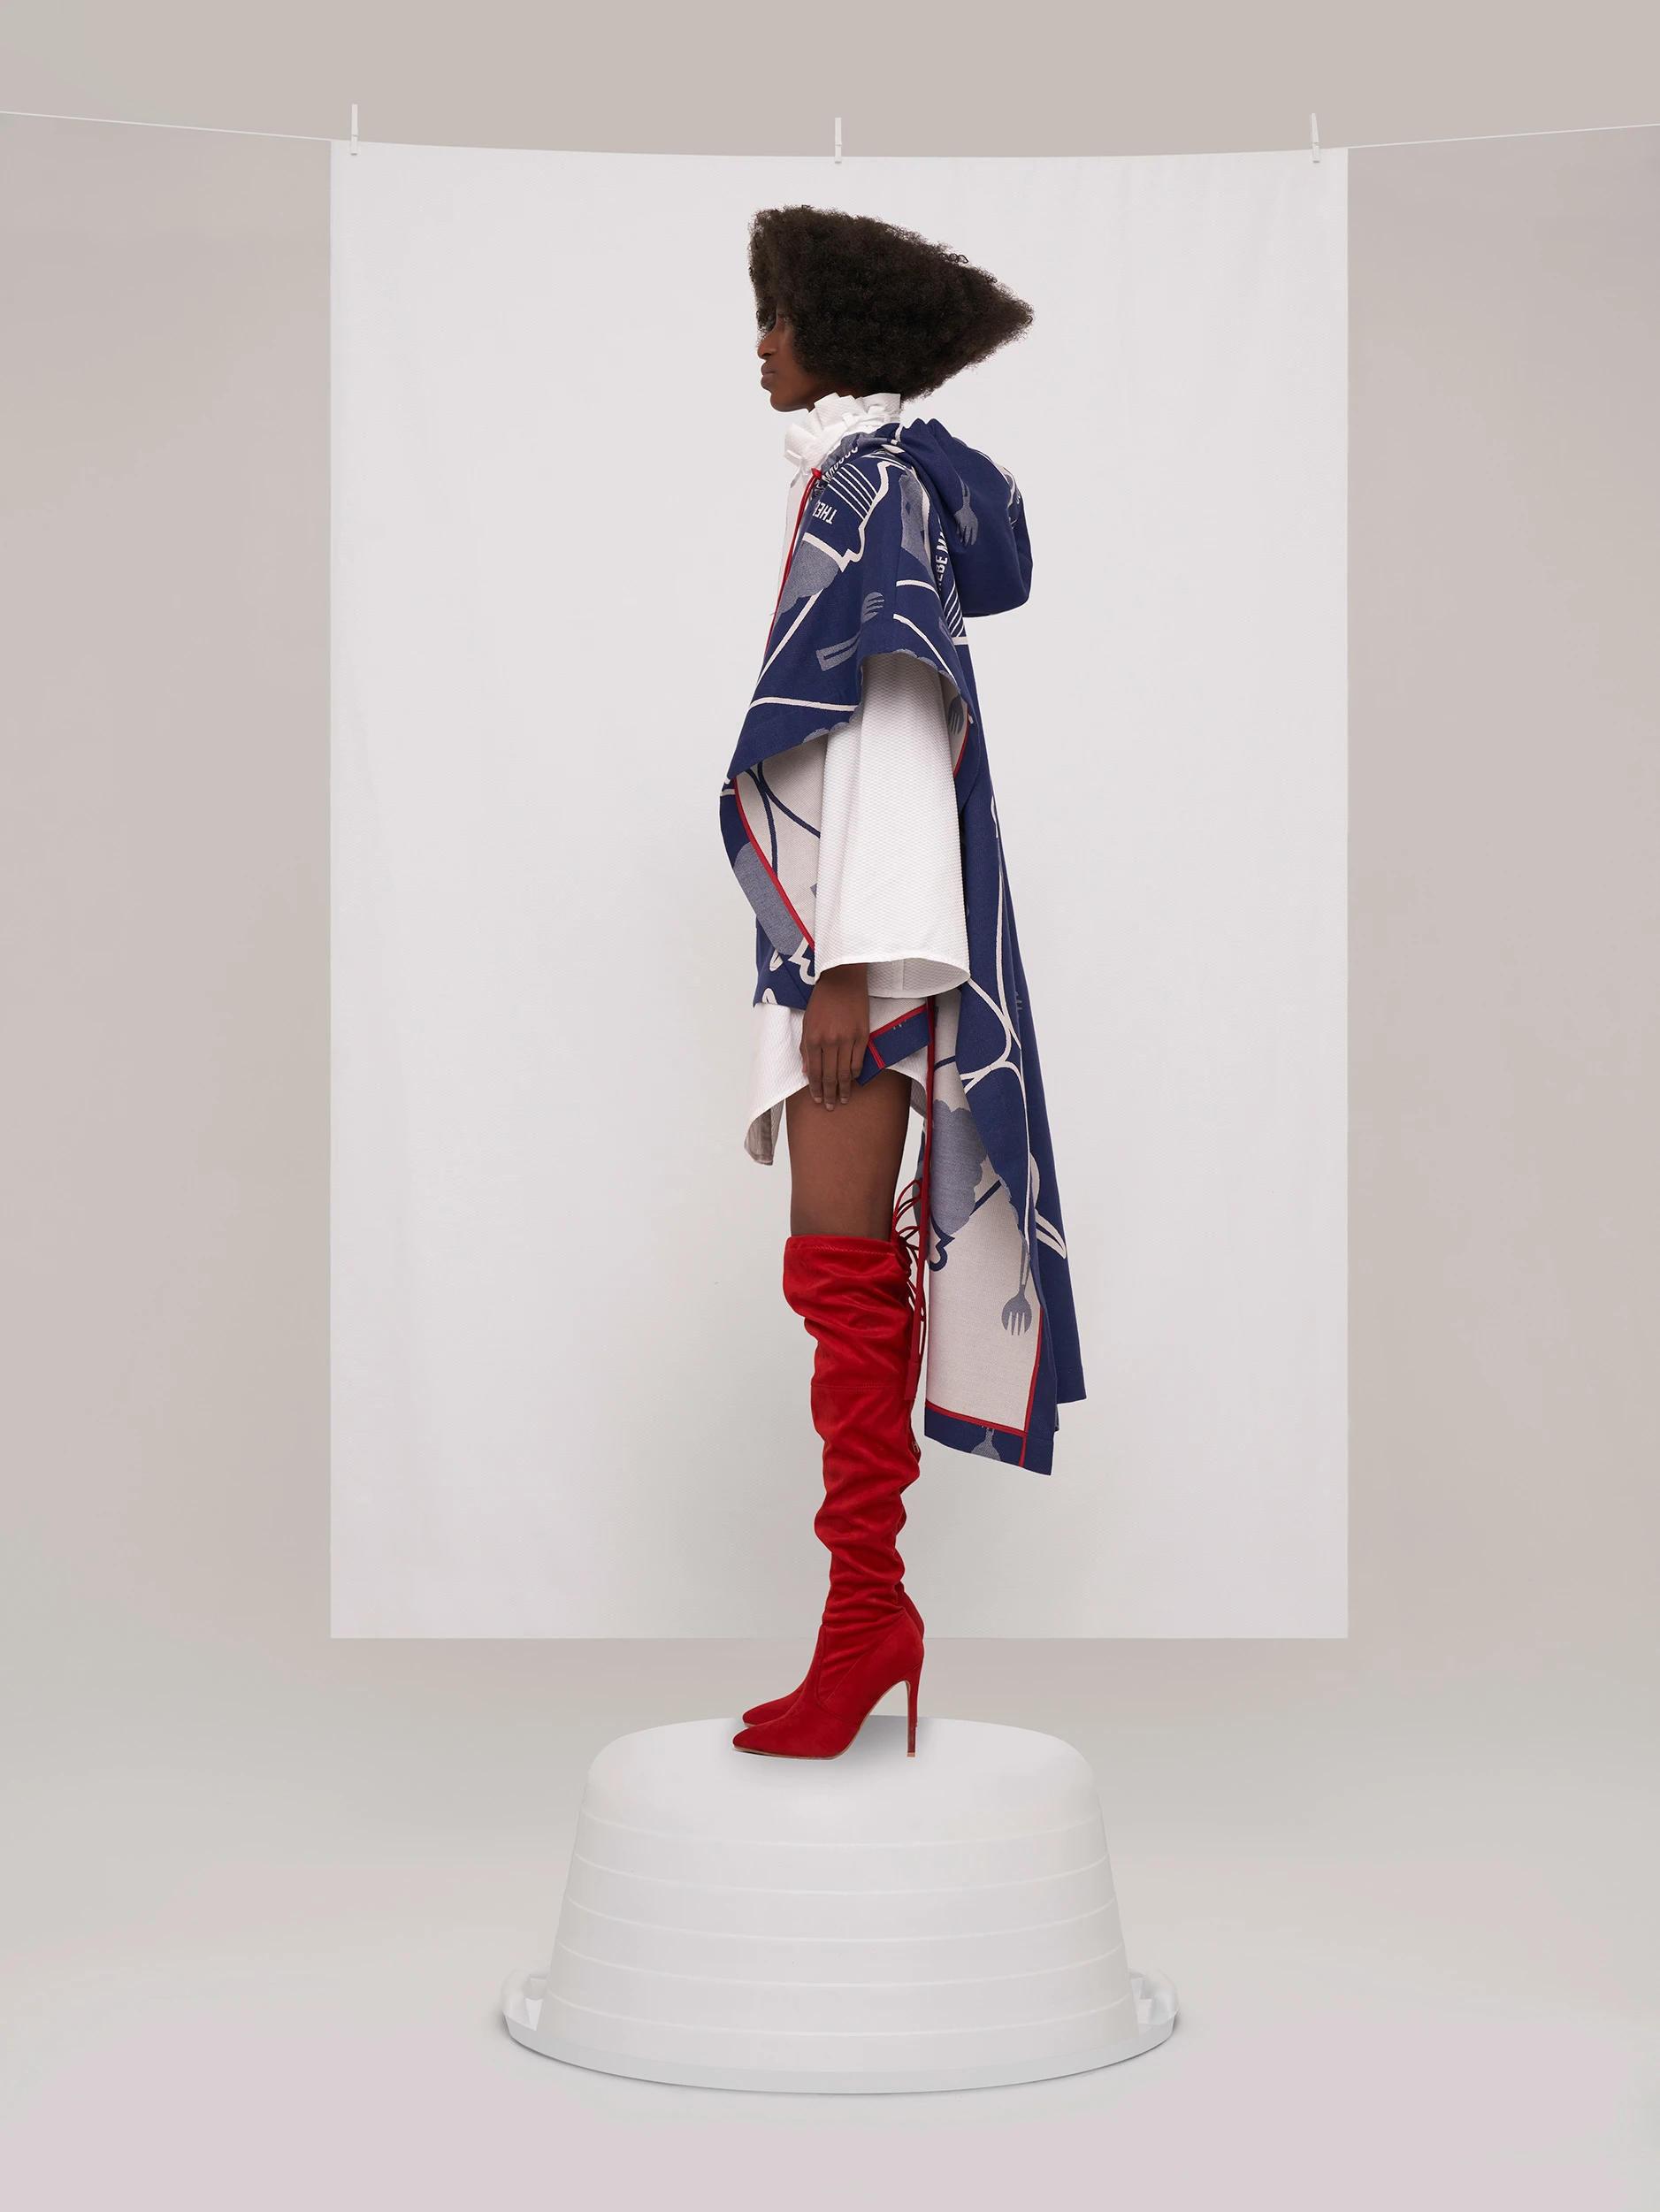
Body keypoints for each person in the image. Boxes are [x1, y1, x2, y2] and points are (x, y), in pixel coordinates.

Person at [724, 206, 1084, 1760]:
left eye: (779, 316)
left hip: (857, 960)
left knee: (841, 1281)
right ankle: (866, 1618)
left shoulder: (868, 490)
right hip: (846, 946)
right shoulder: (867, 482)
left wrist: (847, 973)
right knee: (843, 1277)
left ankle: (868, 1620)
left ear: (839, 336)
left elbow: (889, 725)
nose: (761, 342)